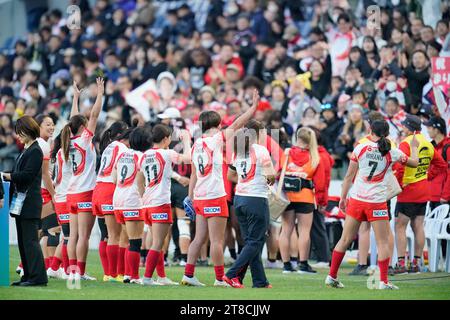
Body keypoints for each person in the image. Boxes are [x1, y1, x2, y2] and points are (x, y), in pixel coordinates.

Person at [326, 120, 419, 290]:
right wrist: (413, 146)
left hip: (357, 199)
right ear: (387, 133)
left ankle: (332, 276)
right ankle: (383, 281)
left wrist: (342, 197)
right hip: (376, 202)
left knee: (345, 239)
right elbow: (415, 163)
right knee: (382, 242)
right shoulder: (392, 151)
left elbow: (348, 176)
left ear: (370, 130)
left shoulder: (360, 147)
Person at [181, 89, 260, 287]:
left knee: (199, 238)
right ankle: (219, 279)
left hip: (199, 195)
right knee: (216, 240)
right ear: (217, 125)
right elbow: (237, 124)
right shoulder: (215, 139)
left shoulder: (196, 143)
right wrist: (252, 108)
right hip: (214, 195)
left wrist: (190, 197)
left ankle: (188, 275)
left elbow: (193, 174)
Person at [223, 120, 275, 288]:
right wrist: (267, 179)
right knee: (255, 241)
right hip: (256, 199)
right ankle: (231, 274)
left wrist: (245, 180)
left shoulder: (238, 151)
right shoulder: (261, 151)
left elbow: (230, 176)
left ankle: (259, 281)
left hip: (240, 198)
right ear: (259, 133)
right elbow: (271, 174)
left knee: (251, 242)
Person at [394, 115, 447, 274]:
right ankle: (416, 264)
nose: (402, 128)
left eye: (404, 126)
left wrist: (398, 184)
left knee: (400, 226)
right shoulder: (427, 143)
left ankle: (401, 264)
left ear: (408, 128)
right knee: (418, 226)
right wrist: (427, 176)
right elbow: (441, 165)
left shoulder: (405, 143)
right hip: (423, 190)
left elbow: (401, 166)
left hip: (408, 189)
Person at [63, 78, 104, 281]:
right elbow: (95, 114)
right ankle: (80, 271)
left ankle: (72, 271)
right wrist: (100, 93)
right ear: (83, 126)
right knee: (83, 236)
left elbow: (73, 118)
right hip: (85, 191)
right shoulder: (85, 139)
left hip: (71, 193)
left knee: (72, 235)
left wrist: (76, 97)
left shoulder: (68, 141)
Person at [140, 124, 190, 286]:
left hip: (147, 203)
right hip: (160, 202)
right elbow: (187, 159)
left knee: (158, 241)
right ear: (165, 139)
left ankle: (161, 277)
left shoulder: (145, 155)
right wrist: (187, 141)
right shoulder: (167, 153)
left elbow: (140, 179)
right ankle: (147, 278)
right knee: (158, 242)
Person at [3, 115, 47, 286]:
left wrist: (7, 176)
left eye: (20, 132)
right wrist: (5, 174)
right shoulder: (26, 150)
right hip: (21, 204)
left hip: (29, 203)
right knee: (23, 242)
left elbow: (26, 175)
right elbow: (15, 171)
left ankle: (37, 277)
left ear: (29, 130)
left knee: (30, 242)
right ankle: (28, 275)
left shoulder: (35, 150)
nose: (18, 136)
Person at [279, 127, 326, 274]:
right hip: (305, 196)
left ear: (297, 137)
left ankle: (286, 265)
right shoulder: (315, 157)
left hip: (287, 195)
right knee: (304, 231)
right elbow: (321, 183)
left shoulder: (286, 153)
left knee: (286, 230)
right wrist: (322, 202)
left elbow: (279, 172)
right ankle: (303, 264)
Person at [112, 126, 152, 284]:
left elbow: (114, 178)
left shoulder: (122, 155)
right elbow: (141, 182)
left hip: (118, 199)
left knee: (126, 239)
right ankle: (133, 276)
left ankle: (125, 273)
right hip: (132, 201)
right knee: (135, 240)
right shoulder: (142, 157)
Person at [93, 121, 129, 282]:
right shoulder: (121, 147)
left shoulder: (108, 146)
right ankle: (115, 274)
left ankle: (108, 273)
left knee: (105, 235)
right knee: (116, 235)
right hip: (109, 189)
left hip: (98, 189)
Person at [35, 114, 58, 274]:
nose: (51, 127)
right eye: (47, 124)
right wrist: (54, 194)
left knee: (43, 231)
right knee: (53, 228)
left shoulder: (41, 143)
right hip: (44, 191)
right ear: (39, 126)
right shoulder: (42, 144)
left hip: (39, 190)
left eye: (52, 124)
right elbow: (44, 175)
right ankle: (52, 268)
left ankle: (27, 266)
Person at [425, 116, 450, 210]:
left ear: (437, 129)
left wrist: (446, 195)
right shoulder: (431, 147)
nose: (427, 130)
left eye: (429, 127)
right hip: (432, 197)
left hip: (443, 198)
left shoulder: (447, 148)